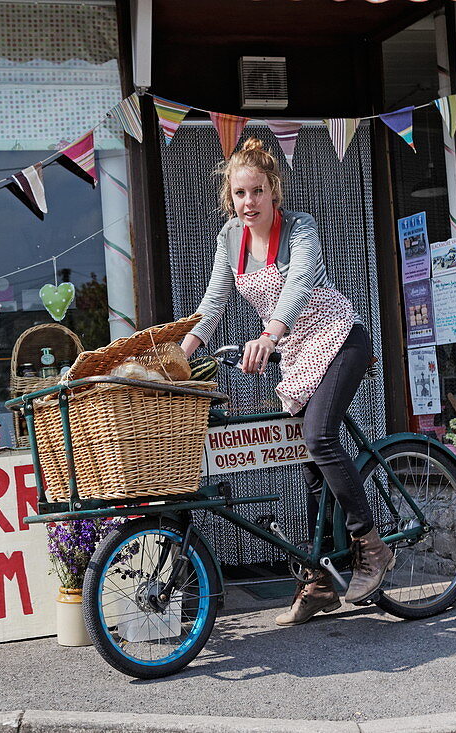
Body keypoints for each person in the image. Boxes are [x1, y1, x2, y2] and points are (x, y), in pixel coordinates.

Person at [180, 137, 393, 626]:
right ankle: (321, 581)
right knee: (310, 465)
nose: (249, 202)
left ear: (274, 191)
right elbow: (212, 306)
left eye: (257, 192)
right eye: (239, 194)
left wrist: (270, 333)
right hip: (298, 355)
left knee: (319, 436)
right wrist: (178, 358)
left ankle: (372, 546)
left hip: (339, 337)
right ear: (228, 198)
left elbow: (299, 282)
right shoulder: (229, 239)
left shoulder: (300, 228)